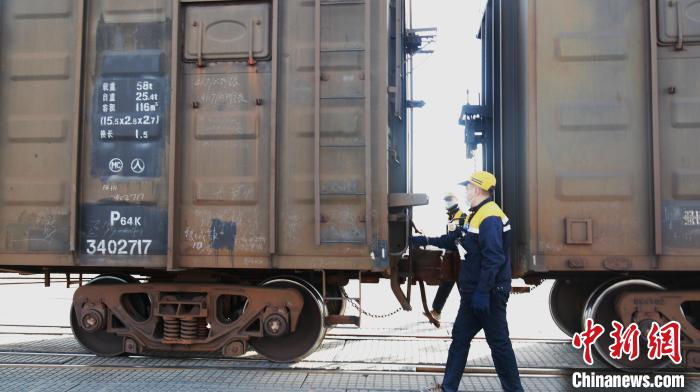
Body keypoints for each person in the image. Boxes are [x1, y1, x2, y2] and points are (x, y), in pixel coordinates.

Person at [412, 171, 523, 392]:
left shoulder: (490, 216)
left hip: (488, 294)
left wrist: (483, 292)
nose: (466, 191)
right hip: (474, 293)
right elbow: (455, 241)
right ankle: (448, 388)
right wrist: (424, 240)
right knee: (459, 339)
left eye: (468, 187)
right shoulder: (476, 214)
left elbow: (494, 258)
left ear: (478, 189)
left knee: (499, 345)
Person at [426, 193, 467, 324]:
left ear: (456, 201)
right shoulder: (451, 217)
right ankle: (436, 311)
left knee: (462, 286)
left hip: (460, 257)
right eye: (446, 200)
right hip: (451, 255)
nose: (447, 202)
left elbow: (465, 233)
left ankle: (469, 314)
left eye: (450, 200)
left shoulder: (462, 216)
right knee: (446, 283)